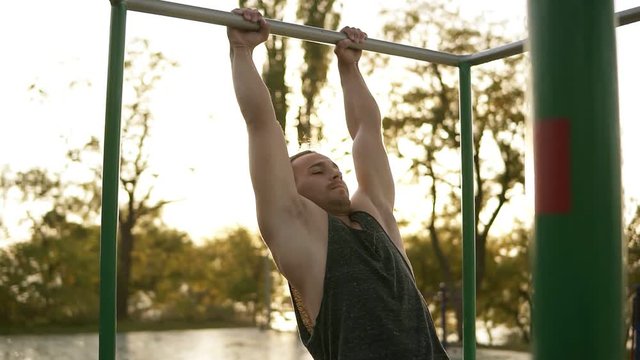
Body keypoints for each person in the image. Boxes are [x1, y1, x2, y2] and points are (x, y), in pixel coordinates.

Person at [227, 8, 450, 360]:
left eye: (335, 169)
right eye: (316, 171)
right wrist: (241, 50)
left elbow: (367, 130)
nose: (334, 173)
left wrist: (350, 68)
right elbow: (261, 124)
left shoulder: (375, 215)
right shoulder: (298, 231)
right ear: (291, 189)